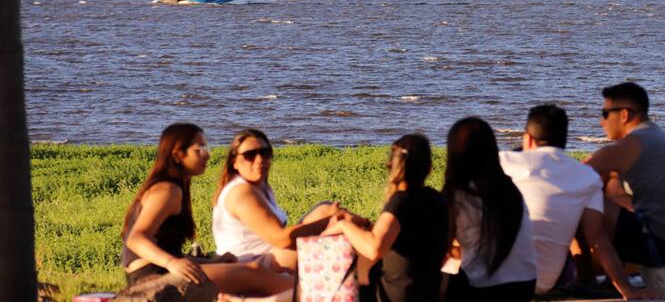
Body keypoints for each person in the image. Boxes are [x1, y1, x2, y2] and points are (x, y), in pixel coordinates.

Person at [498, 104, 660, 299]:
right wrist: (626, 288)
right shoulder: (586, 177)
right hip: (544, 282)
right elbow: (597, 238)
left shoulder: (504, 162)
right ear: (564, 141)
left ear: (529, 139)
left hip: (493, 277)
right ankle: (586, 278)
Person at [121, 123, 291, 295]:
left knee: (248, 269)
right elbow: (136, 239)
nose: (208, 154)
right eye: (199, 149)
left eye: (206, 147)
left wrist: (213, 261)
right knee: (255, 273)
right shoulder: (168, 190)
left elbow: (169, 249)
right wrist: (171, 262)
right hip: (153, 278)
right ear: (178, 154)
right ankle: (307, 290)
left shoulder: (174, 187)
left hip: (159, 270)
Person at [586, 82, 665, 270]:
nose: (601, 122)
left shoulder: (633, 143)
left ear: (624, 115)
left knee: (583, 201)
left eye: (605, 114)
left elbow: (572, 177)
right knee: (606, 183)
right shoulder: (659, 137)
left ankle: (580, 274)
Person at [328, 133, 449, 302]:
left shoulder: (401, 202)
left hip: (395, 295)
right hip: (428, 292)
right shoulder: (437, 199)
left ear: (391, 166)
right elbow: (410, 234)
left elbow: (374, 249)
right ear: (429, 169)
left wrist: (344, 225)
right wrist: (364, 223)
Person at [211, 128, 340, 271]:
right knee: (336, 228)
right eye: (250, 155)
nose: (259, 160)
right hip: (249, 265)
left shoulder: (260, 186)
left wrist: (330, 218)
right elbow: (281, 239)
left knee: (325, 209)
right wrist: (331, 221)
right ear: (234, 162)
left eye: (265, 153)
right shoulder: (241, 192)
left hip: (269, 255)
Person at [442, 117, 537, 301]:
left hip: (483, 289)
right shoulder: (510, 189)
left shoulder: (460, 194)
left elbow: (438, 248)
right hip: (525, 285)